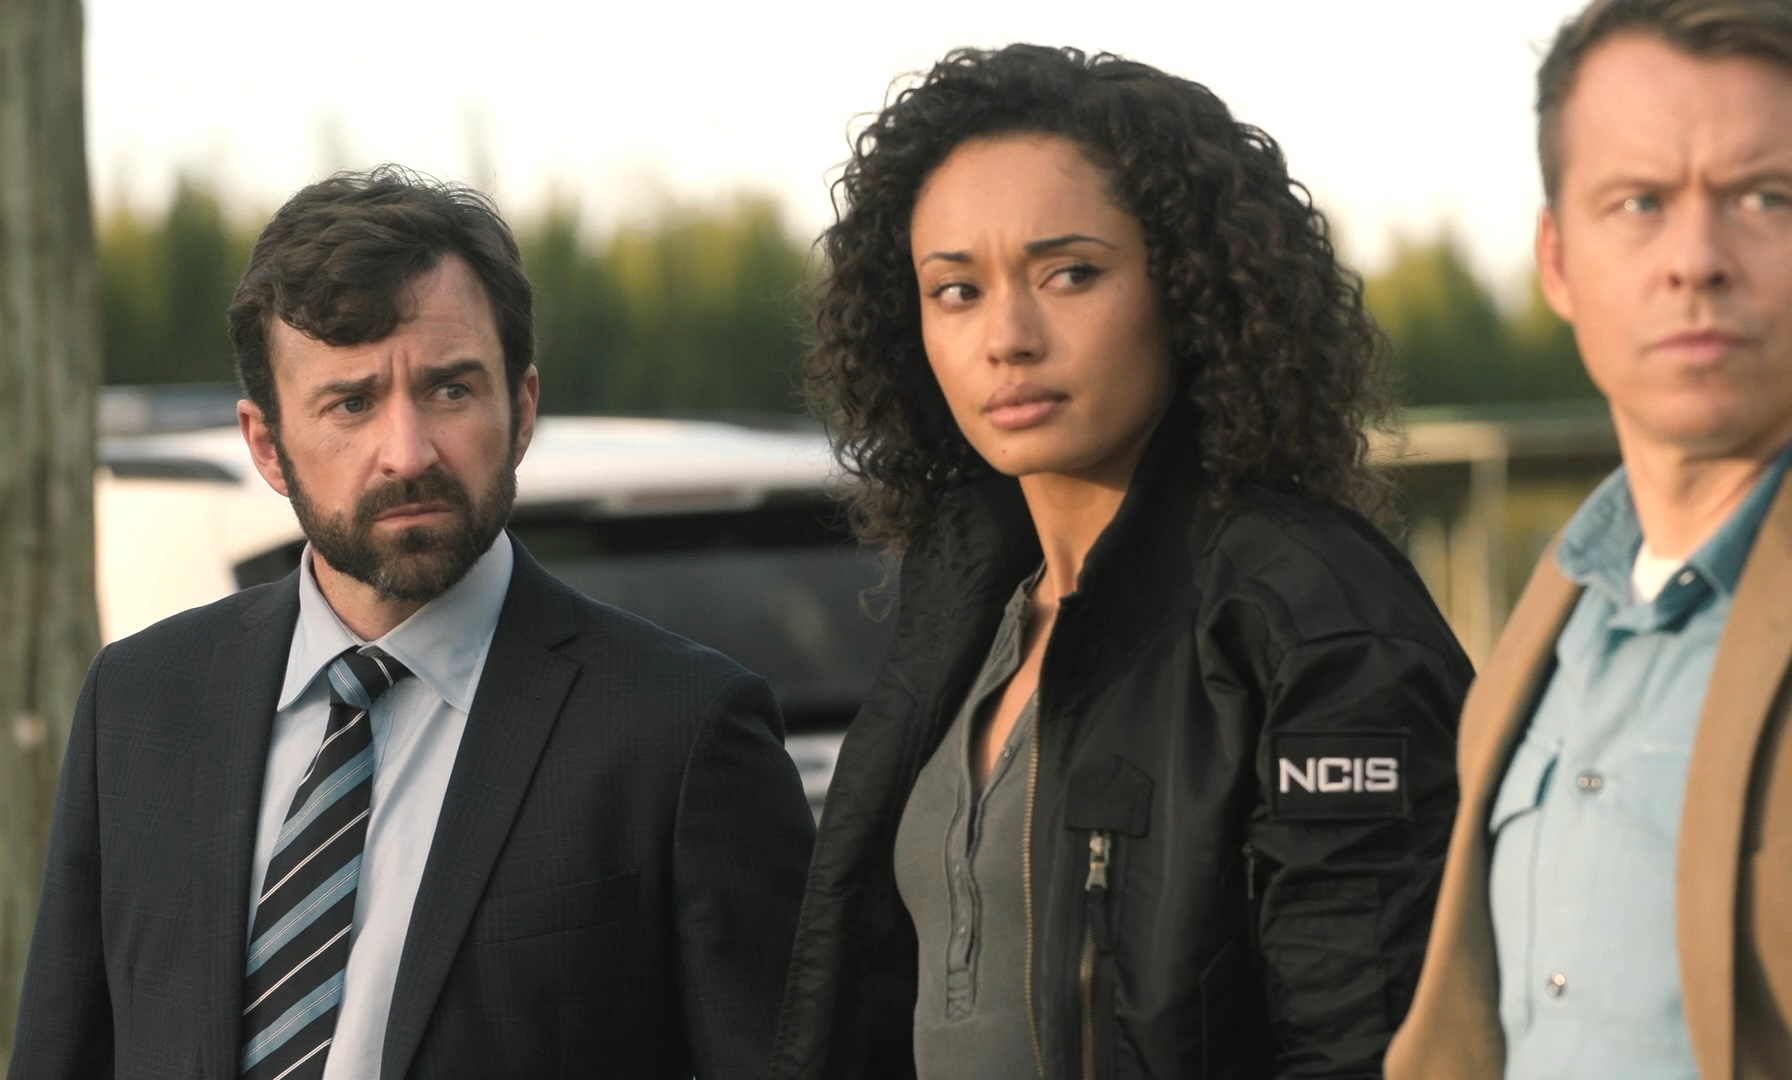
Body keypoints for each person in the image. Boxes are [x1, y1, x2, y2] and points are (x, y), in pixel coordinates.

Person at [7, 167, 815, 1080]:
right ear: (267, 444)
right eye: (351, 403)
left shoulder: (680, 728)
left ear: (522, 409)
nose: (408, 452)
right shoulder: (141, 703)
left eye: (450, 390)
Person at [768, 45, 1473, 1080]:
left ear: (1189, 289)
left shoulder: (1314, 617)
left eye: (1070, 274)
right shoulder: (966, 599)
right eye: (956, 290)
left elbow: (1369, 1044)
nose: (1008, 337)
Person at [1386, 2, 1792, 1078]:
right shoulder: (1552, 618)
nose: (1697, 259)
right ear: (1558, 262)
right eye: (1640, 203)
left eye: (1766, 197)